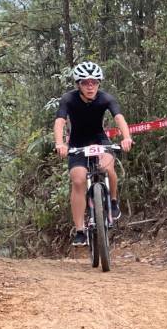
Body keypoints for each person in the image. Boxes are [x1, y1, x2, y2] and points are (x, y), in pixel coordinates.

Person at [53, 61, 133, 246]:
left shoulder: (106, 98)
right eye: (85, 82)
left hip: (99, 139)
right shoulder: (68, 99)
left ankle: (113, 202)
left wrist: (126, 137)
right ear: (78, 85)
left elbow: (119, 118)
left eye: (94, 82)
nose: (90, 86)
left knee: (107, 166)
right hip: (77, 144)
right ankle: (80, 230)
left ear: (99, 83)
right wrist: (60, 143)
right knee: (79, 180)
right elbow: (60, 121)